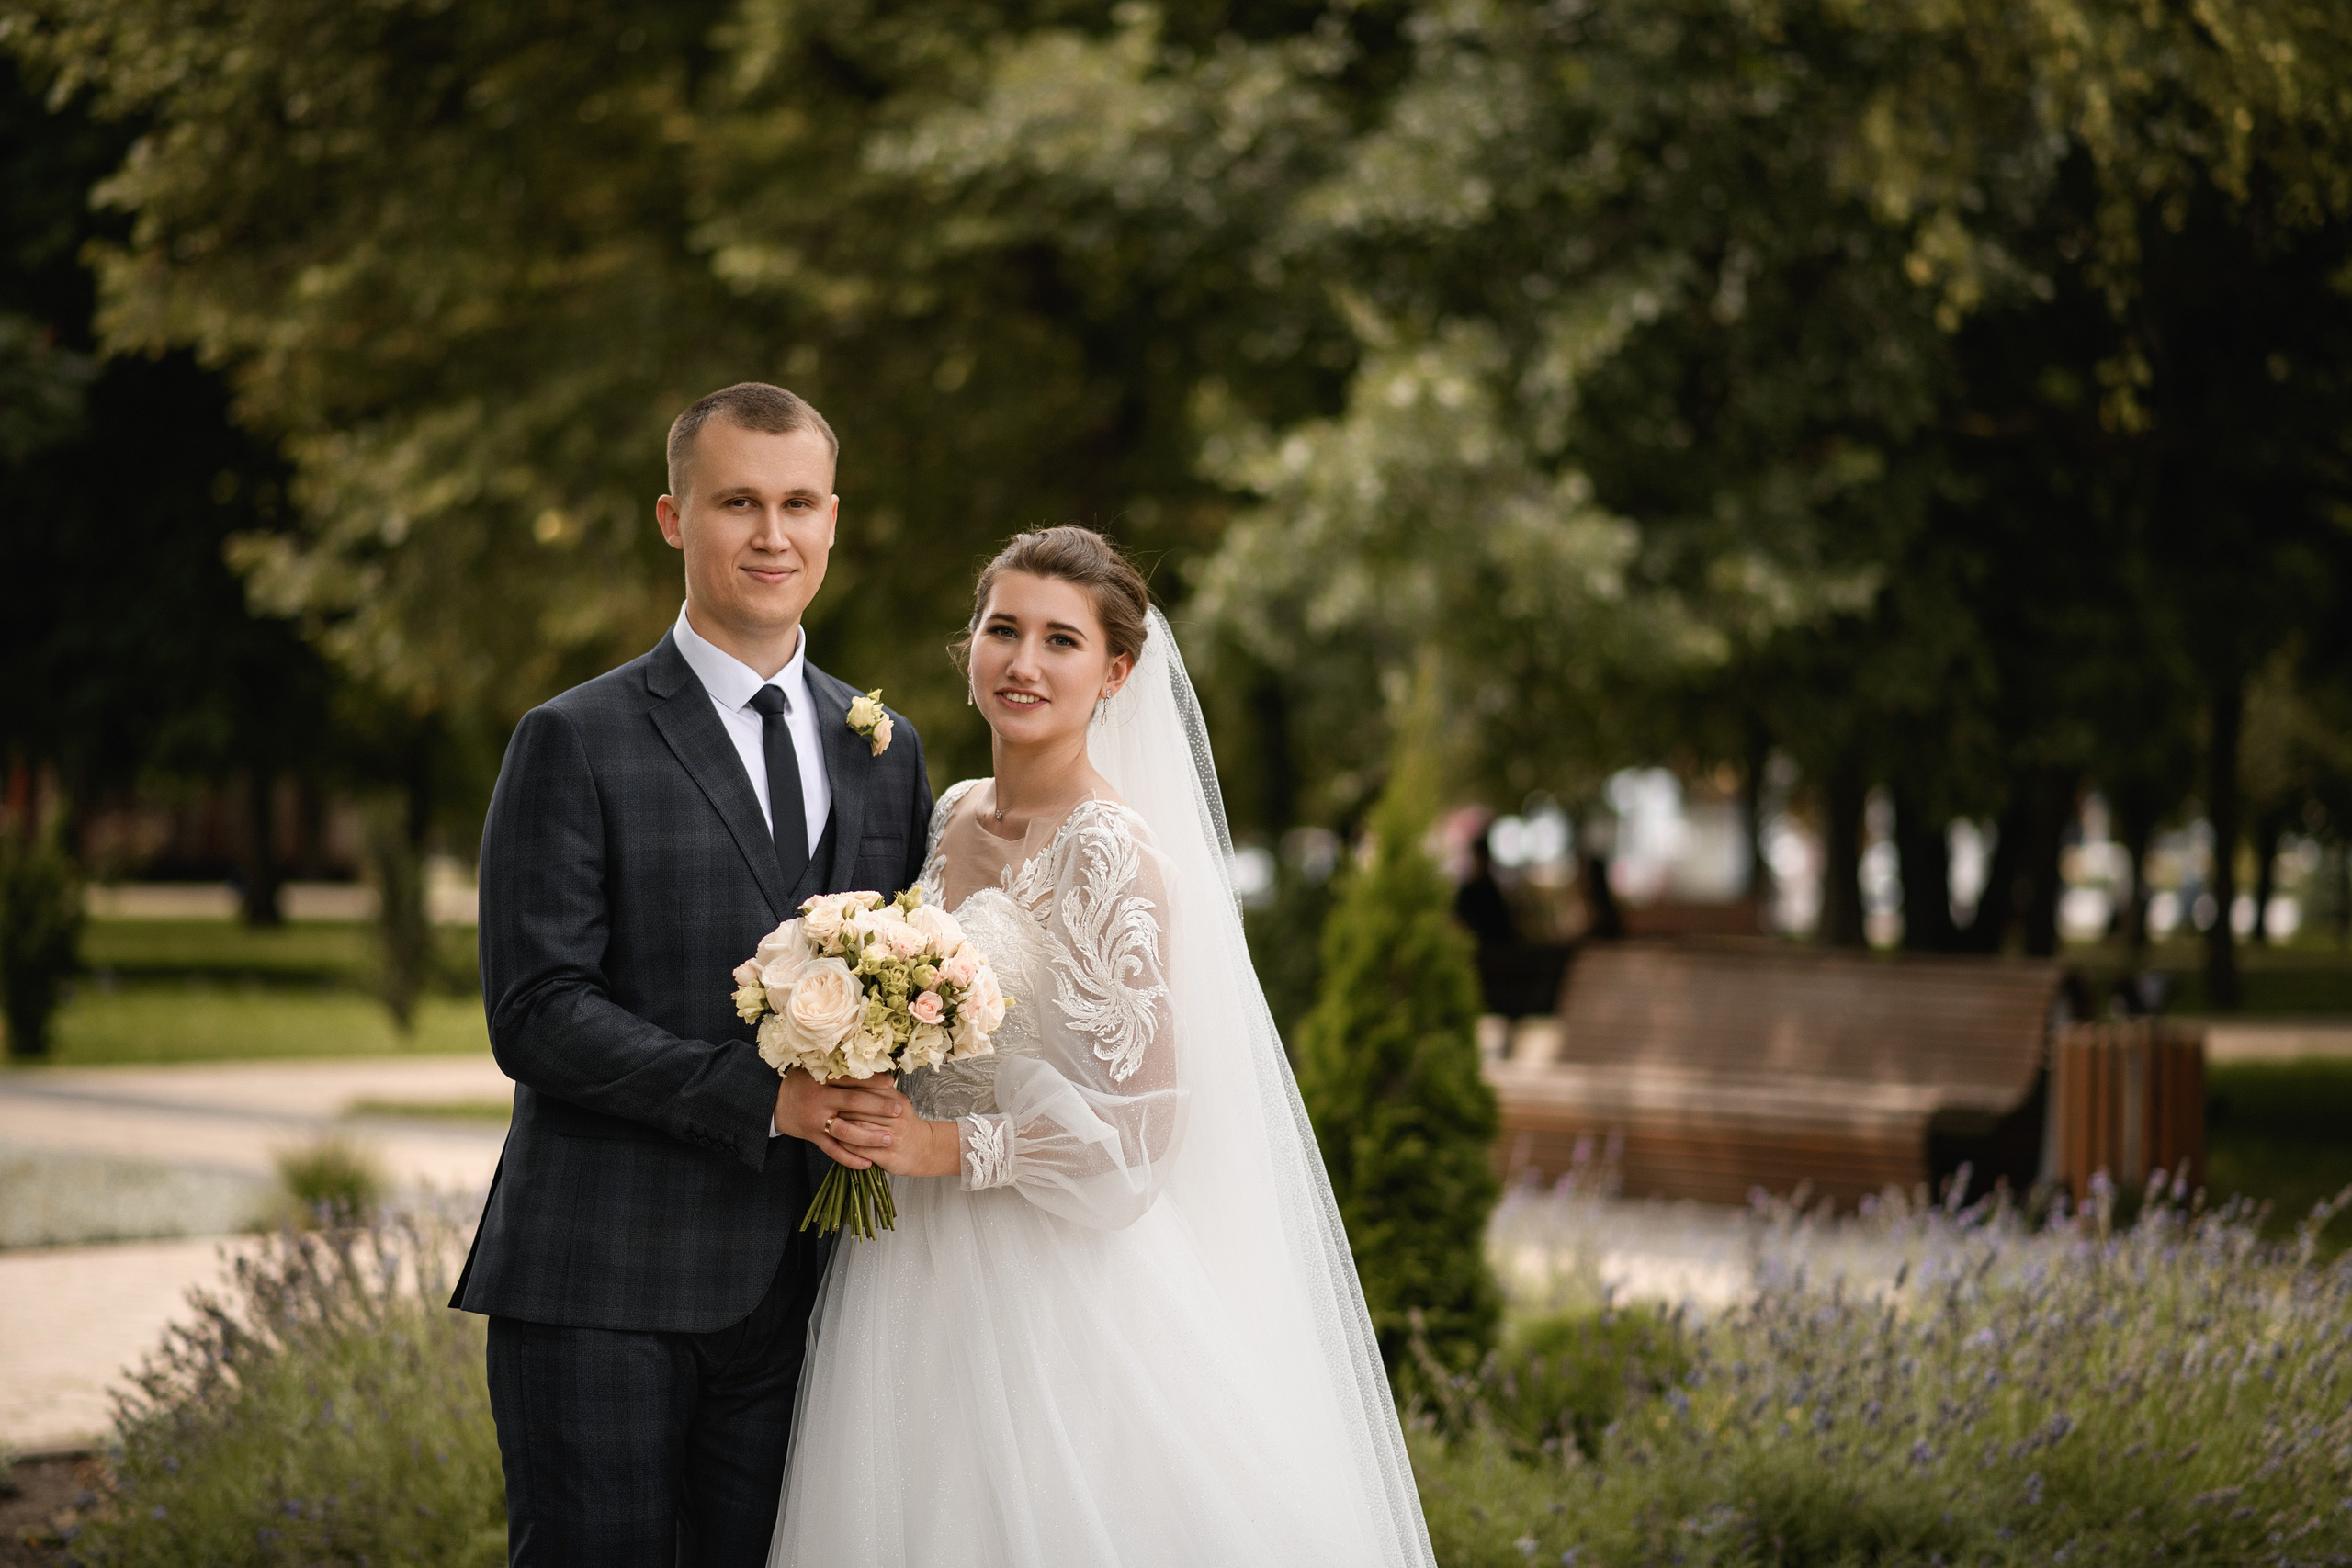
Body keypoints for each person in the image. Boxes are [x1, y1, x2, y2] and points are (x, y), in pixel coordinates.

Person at [770, 525, 1435, 1567]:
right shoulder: (947, 815)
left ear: (1115, 672)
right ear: (971, 647)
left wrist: (943, 1149)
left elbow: (1140, 1139)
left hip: (1049, 1275)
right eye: (1002, 630)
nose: (1022, 663)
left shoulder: (1112, 849)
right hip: (908, 1262)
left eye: (1060, 641)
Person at [452, 383, 934, 1565]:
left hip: (812, 1290)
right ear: (674, 518)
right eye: (737, 504)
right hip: (603, 1279)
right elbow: (538, 1012)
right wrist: (764, 1098)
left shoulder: (883, 745)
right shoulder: (573, 737)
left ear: (833, 520)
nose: (772, 535)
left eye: (797, 503)